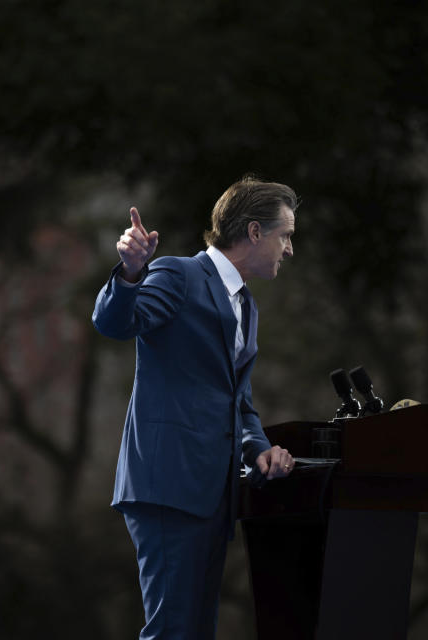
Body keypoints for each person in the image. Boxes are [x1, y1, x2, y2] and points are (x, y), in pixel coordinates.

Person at [92, 176, 297, 639]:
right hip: (168, 485)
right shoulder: (179, 274)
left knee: (195, 632)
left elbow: (236, 402)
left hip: (212, 495)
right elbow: (115, 323)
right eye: (285, 235)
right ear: (254, 231)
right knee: (173, 632)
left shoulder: (247, 306)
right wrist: (129, 274)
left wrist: (258, 448)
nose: (289, 249)